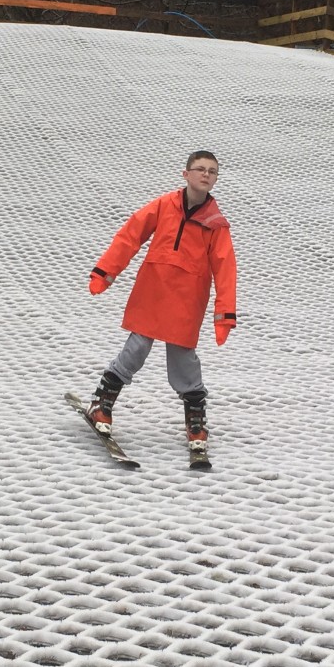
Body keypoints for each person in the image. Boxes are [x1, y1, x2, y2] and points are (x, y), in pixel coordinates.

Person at [84, 151, 237, 451]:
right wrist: (105, 271)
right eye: (200, 169)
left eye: (212, 171)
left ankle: (195, 421)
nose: (206, 175)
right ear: (186, 174)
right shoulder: (164, 206)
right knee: (137, 348)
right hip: (152, 292)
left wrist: (225, 315)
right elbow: (130, 235)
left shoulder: (216, 224)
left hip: (187, 301)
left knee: (183, 361)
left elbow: (226, 270)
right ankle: (102, 403)